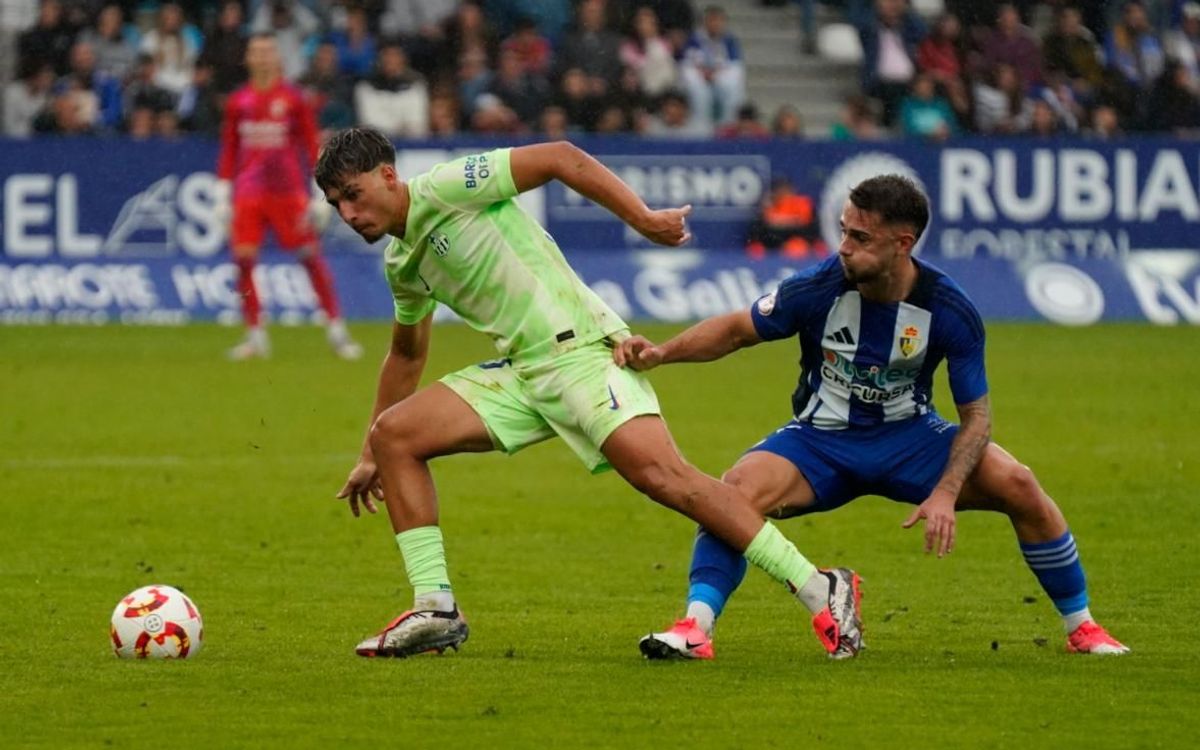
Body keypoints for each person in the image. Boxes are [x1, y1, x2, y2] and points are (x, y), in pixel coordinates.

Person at [315, 127, 864, 659]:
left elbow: (559, 156)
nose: (347, 213)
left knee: (668, 480)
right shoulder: (400, 263)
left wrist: (644, 220)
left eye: (353, 195)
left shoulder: (447, 186)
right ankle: (434, 608)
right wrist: (369, 455)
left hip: (579, 352)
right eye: (336, 203)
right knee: (394, 437)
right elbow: (407, 356)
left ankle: (821, 587)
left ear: (388, 176)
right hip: (523, 372)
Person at [616, 174, 1129, 660]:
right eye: (843, 231)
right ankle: (696, 628)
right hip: (820, 440)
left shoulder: (950, 309)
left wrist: (946, 491)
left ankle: (1081, 627)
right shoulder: (818, 287)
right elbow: (734, 330)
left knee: (1019, 484)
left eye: (860, 237)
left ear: (902, 244)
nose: (843, 247)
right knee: (731, 493)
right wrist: (662, 354)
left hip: (911, 439)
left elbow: (977, 416)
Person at [215, 33, 361, 361]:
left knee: (310, 257)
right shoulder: (239, 101)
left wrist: (320, 193)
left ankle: (337, 332)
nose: (263, 57)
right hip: (250, 193)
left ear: (277, 58)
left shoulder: (294, 99)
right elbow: (230, 148)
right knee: (243, 260)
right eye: (256, 51)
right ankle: (255, 335)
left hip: (288, 192)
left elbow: (311, 147)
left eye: (268, 52)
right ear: (248, 58)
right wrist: (222, 193)